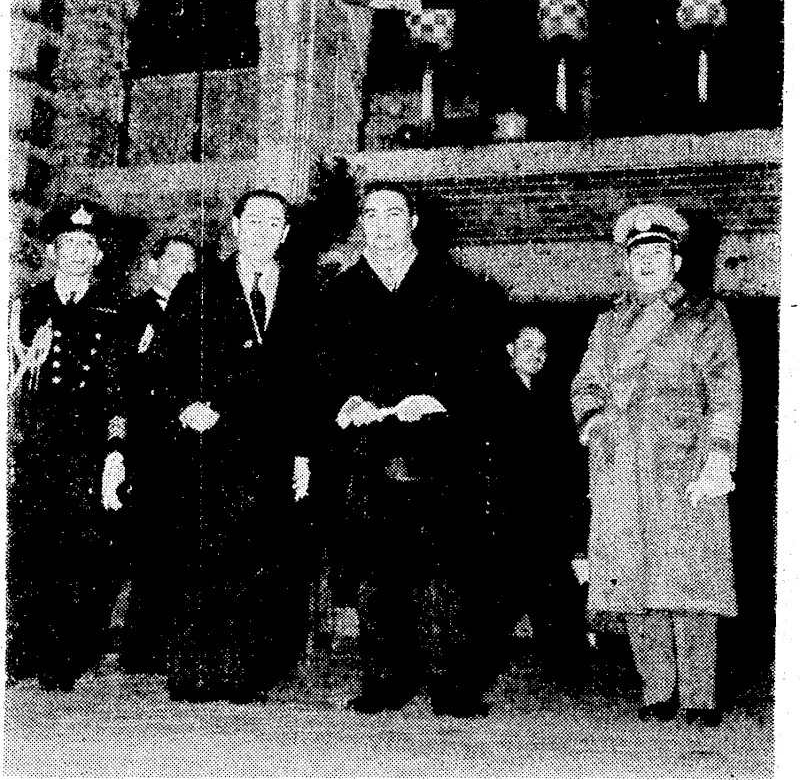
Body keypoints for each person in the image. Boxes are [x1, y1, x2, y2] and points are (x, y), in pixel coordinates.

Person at [321, 182, 507, 717]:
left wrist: (438, 397)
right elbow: (324, 365)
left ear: (413, 222)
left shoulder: (457, 287)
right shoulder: (342, 292)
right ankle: (386, 677)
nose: (381, 222)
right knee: (378, 569)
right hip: (370, 446)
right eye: (371, 213)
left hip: (441, 444)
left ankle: (455, 678)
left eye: (393, 212)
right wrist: (344, 400)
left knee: (450, 568)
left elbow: (483, 367)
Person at [571, 203, 741, 726]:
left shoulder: (709, 318)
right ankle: (657, 686)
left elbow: (725, 390)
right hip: (625, 465)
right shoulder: (609, 324)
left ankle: (698, 692)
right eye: (637, 253)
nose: (648, 263)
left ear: (674, 261)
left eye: (658, 252)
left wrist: (717, 454)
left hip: (686, 464)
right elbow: (585, 391)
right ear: (626, 263)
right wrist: (600, 436)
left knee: (693, 583)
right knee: (638, 582)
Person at [161, 190, 316, 704]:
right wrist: (186, 404)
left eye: (275, 222)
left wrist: (303, 452)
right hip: (210, 442)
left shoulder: (304, 290)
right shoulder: (198, 287)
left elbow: (314, 379)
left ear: (286, 233)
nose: (263, 230)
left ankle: (251, 670)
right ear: (235, 226)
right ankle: (194, 670)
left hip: (272, 447)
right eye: (253, 219)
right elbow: (167, 360)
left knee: (264, 558)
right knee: (201, 556)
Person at [8, 199, 128, 691]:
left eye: (88, 245)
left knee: (81, 549)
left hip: (86, 448)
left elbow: (123, 388)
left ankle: (67, 652)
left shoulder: (115, 311)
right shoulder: (24, 306)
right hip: (33, 444)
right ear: (52, 250)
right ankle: (27, 645)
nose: (77, 252)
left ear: (99, 256)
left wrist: (116, 450)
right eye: (68, 244)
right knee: (31, 544)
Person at [487, 324, 589, 684]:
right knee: (501, 598)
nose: (536, 353)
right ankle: (467, 678)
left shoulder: (552, 397)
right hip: (506, 514)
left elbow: (567, 457)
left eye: (542, 349)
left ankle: (568, 665)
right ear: (511, 349)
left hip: (545, 515)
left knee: (553, 591)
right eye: (527, 345)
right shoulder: (494, 394)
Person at [118, 235, 198, 675]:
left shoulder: (202, 307)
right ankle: (141, 646)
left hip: (188, 441)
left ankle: (174, 642)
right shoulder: (134, 312)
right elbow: (124, 380)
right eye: (174, 261)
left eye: (191, 263)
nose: (183, 270)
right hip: (146, 440)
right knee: (147, 542)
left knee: (180, 542)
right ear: (154, 264)